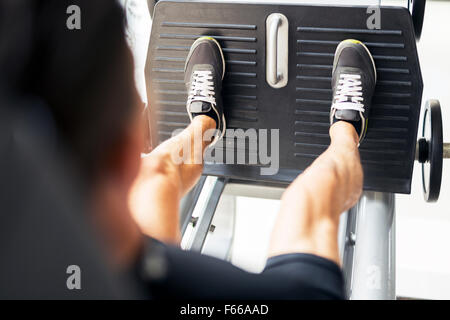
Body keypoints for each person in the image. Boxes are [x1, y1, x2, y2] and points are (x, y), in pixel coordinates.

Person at [1, 1, 376, 299]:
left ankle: (206, 122)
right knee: (305, 203)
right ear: (129, 148)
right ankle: (346, 129)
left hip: (111, 262)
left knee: (158, 175)